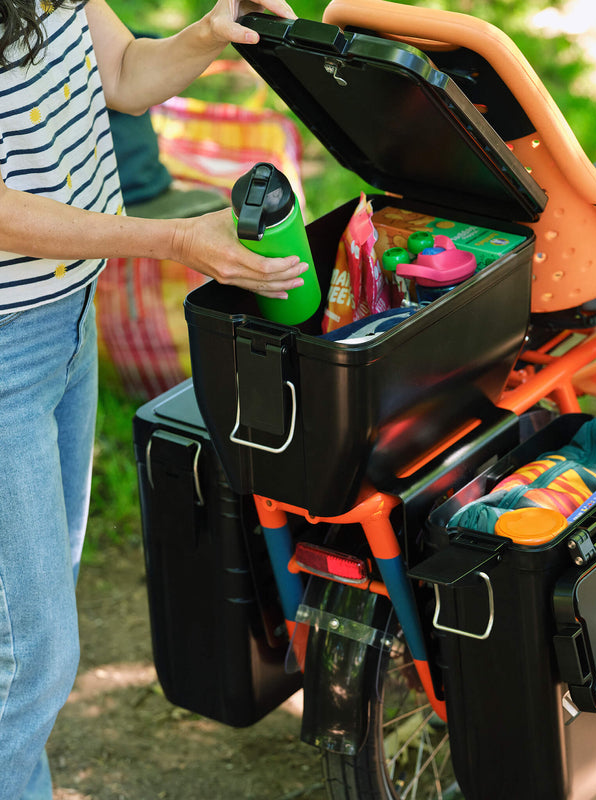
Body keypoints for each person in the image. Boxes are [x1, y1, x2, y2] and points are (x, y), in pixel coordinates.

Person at [0, 0, 300, 797]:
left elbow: (125, 75)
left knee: (24, 625)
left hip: (62, 321)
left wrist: (208, 32)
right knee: (31, 657)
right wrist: (173, 237)